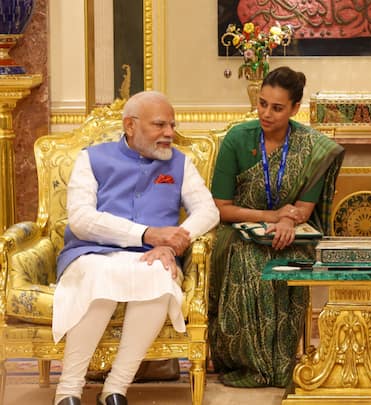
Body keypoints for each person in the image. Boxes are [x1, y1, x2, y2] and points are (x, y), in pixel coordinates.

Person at [52, 91, 220, 405]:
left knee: (159, 276)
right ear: (130, 126)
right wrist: (147, 234)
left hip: (150, 256)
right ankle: (68, 391)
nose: (169, 133)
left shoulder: (181, 164)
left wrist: (176, 240)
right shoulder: (92, 158)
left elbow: (208, 212)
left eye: (171, 124)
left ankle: (116, 388)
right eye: (159, 125)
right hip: (91, 252)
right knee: (98, 277)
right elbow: (81, 219)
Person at [208, 66, 345, 388]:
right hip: (239, 231)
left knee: (286, 259)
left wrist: (286, 220)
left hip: (291, 234)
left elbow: (305, 209)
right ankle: (245, 362)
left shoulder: (311, 147)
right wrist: (271, 217)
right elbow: (221, 208)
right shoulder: (237, 140)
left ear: (296, 108)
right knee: (249, 262)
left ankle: (280, 362)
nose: (266, 113)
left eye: (277, 107)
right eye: (262, 104)